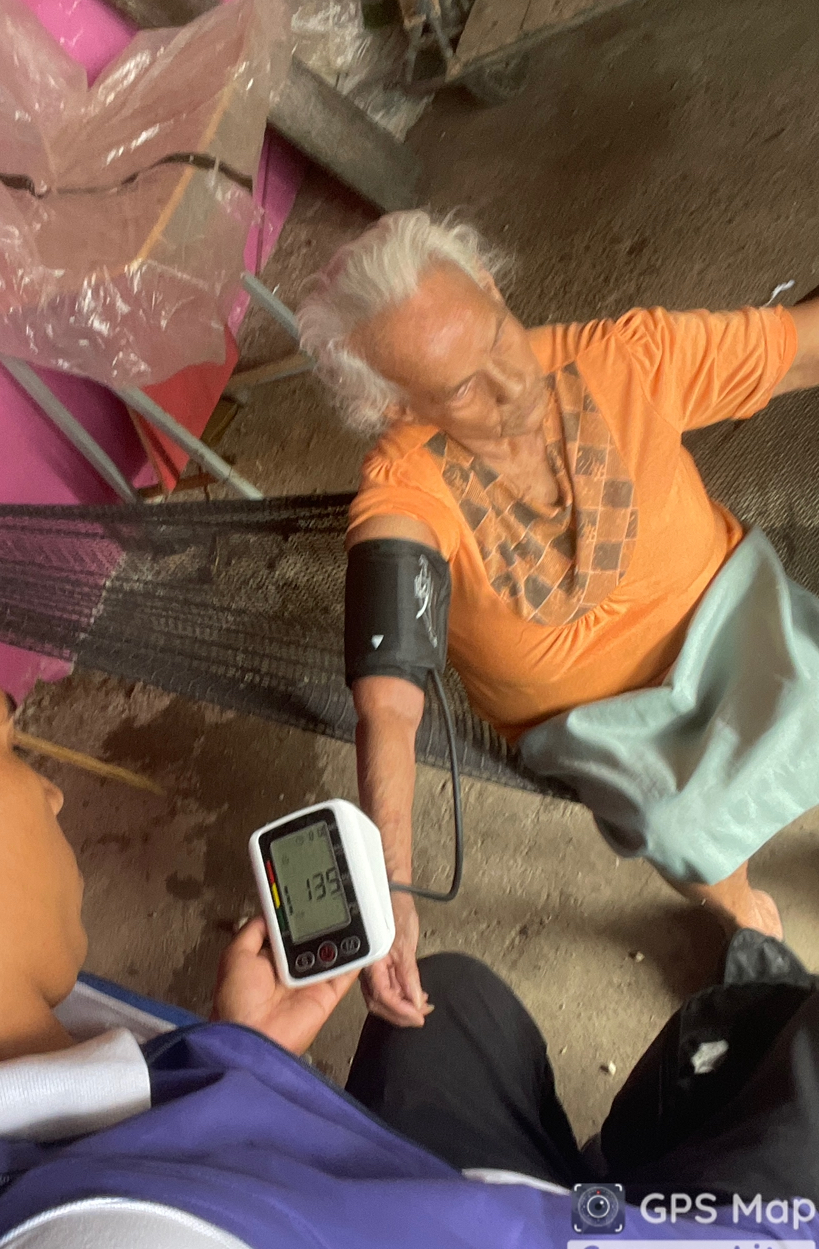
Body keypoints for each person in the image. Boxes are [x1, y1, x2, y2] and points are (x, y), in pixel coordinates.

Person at [0, 566, 818, 1247]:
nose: (49, 791)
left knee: (451, 1002)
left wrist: (232, 1059)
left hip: (419, 1193)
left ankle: (651, 1130)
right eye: (8, 748)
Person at [297, 211, 819, 1029]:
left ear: (491, 287)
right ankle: (738, 903)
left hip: (738, 617)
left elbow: (799, 347)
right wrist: (390, 884)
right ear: (394, 404)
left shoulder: (620, 359)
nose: (511, 385)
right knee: (678, 821)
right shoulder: (404, 489)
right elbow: (389, 696)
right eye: (459, 387)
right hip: (604, 728)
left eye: (496, 336)